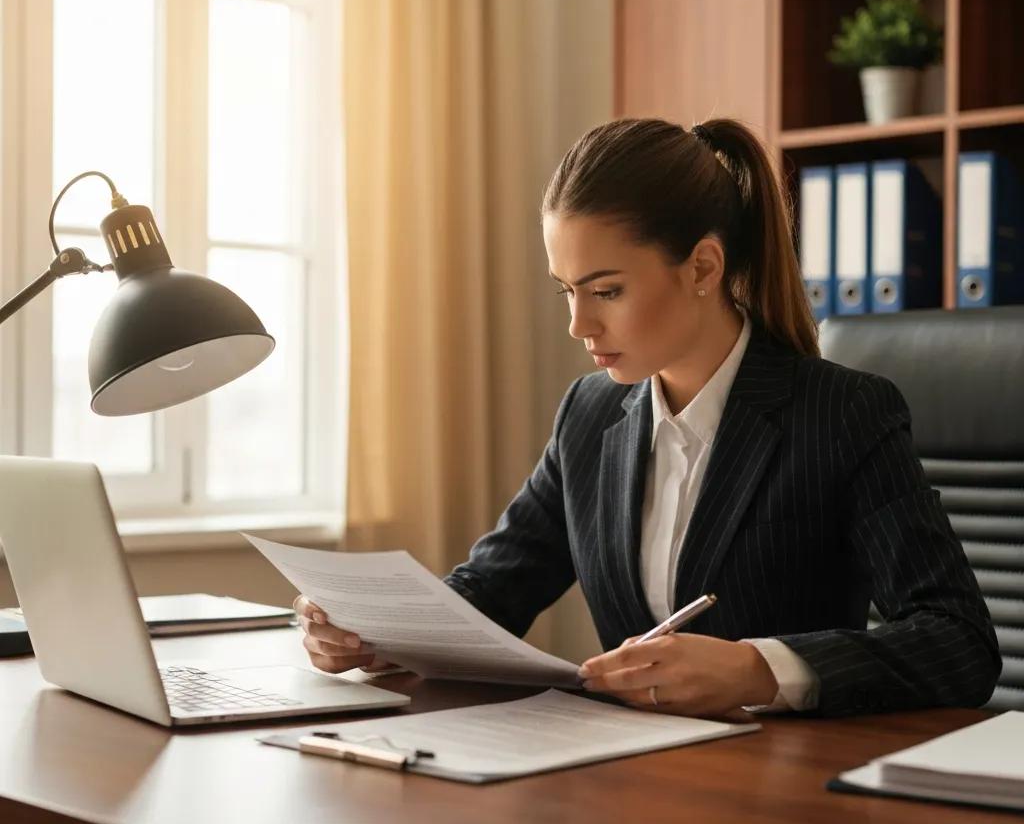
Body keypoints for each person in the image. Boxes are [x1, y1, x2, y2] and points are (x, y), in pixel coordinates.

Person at [295, 117, 1000, 718]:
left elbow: (959, 641)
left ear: (701, 268)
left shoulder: (843, 412)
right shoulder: (590, 414)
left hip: (784, 793)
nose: (578, 324)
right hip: (633, 777)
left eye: (606, 289)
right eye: (566, 290)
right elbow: (493, 592)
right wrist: (376, 633)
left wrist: (757, 669)